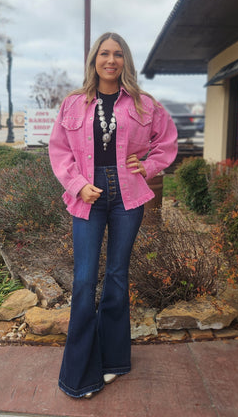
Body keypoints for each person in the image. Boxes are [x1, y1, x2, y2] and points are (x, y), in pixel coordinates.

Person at [48, 32, 178, 399]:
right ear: (94, 60)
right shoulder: (73, 104)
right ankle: (80, 375)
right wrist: (76, 184)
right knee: (85, 280)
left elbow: (167, 142)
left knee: (117, 278)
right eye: (104, 53)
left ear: (125, 61)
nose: (110, 60)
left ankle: (114, 360)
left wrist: (148, 165)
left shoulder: (143, 104)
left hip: (127, 196)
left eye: (118, 54)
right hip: (88, 195)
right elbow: (59, 151)